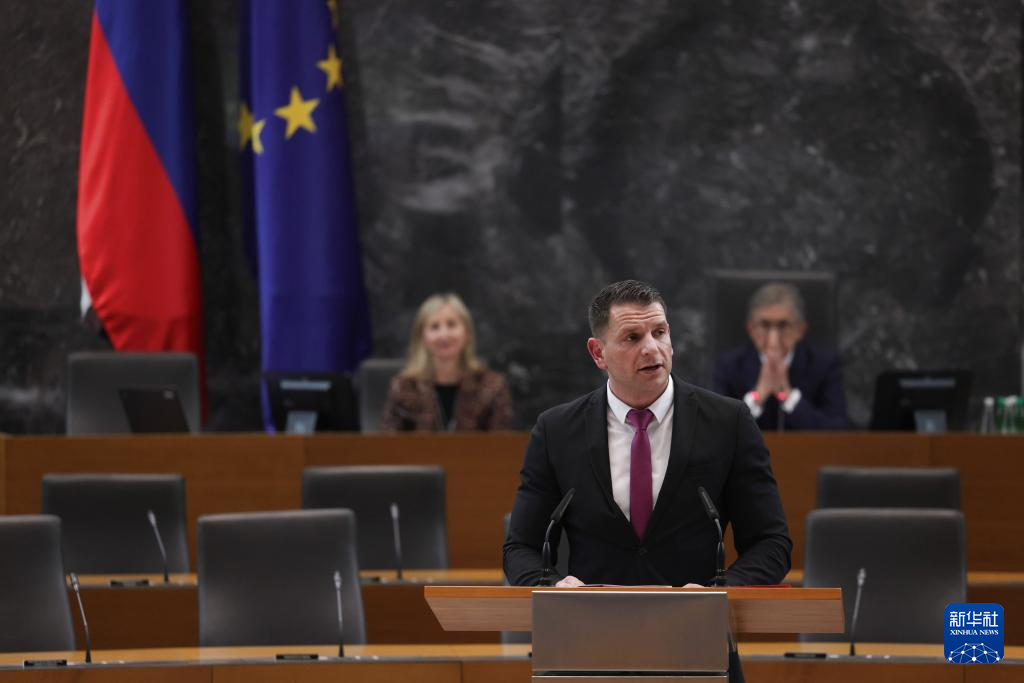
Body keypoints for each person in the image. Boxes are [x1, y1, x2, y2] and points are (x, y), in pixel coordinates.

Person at [504, 281, 789, 682]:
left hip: (696, 647)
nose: (652, 348)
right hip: (588, 649)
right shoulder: (557, 431)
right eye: (632, 337)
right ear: (598, 353)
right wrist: (552, 587)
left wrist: (720, 591)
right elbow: (520, 547)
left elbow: (772, 543)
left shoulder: (728, 423)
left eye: (660, 332)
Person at [712, 282, 850, 430]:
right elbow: (717, 430)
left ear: (800, 330)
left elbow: (839, 429)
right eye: (765, 325)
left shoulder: (825, 365)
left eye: (783, 325)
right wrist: (757, 396)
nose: (774, 339)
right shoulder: (728, 366)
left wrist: (788, 397)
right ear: (751, 329)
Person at [381, 293, 513, 431]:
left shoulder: (492, 387)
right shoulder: (404, 388)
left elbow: (501, 441)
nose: (444, 335)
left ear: (467, 333)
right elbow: (389, 441)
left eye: (451, 324)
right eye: (434, 327)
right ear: (422, 337)